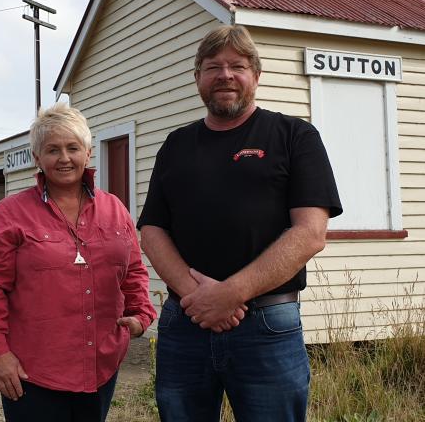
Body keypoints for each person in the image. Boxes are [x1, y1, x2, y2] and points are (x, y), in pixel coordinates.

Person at [137, 25, 342, 422]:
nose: (225, 75)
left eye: (237, 66)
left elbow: (310, 233)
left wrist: (231, 293)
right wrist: (199, 300)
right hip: (186, 323)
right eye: (213, 66)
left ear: (256, 75)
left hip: (267, 325)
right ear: (197, 78)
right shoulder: (176, 145)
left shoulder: (294, 135)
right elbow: (152, 230)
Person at [0, 103, 156, 422]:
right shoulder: (11, 214)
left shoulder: (115, 209)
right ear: (37, 159)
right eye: (52, 149)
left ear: (88, 153)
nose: (64, 158)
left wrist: (141, 313)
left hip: (101, 366)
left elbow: (133, 271)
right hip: (33, 372)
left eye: (73, 148)